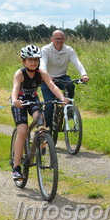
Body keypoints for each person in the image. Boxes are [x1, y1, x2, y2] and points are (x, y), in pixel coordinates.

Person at [10, 44, 69, 180]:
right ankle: (16, 167)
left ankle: (41, 141)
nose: (33, 62)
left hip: (33, 100)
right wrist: (15, 100)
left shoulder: (41, 73)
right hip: (20, 102)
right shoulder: (20, 74)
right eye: (30, 60)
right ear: (24, 61)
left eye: (36, 60)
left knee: (41, 121)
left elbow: (53, 86)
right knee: (23, 131)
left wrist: (61, 98)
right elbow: (15, 88)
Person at [40, 30, 90, 130]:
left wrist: (84, 74)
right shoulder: (45, 49)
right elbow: (43, 63)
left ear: (64, 39)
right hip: (47, 78)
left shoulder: (68, 50)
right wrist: (46, 76)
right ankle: (47, 132)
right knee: (49, 106)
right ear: (52, 39)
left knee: (71, 85)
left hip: (62, 77)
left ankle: (69, 109)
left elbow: (77, 63)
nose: (59, 41)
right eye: (57, 39)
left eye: (61, 38)